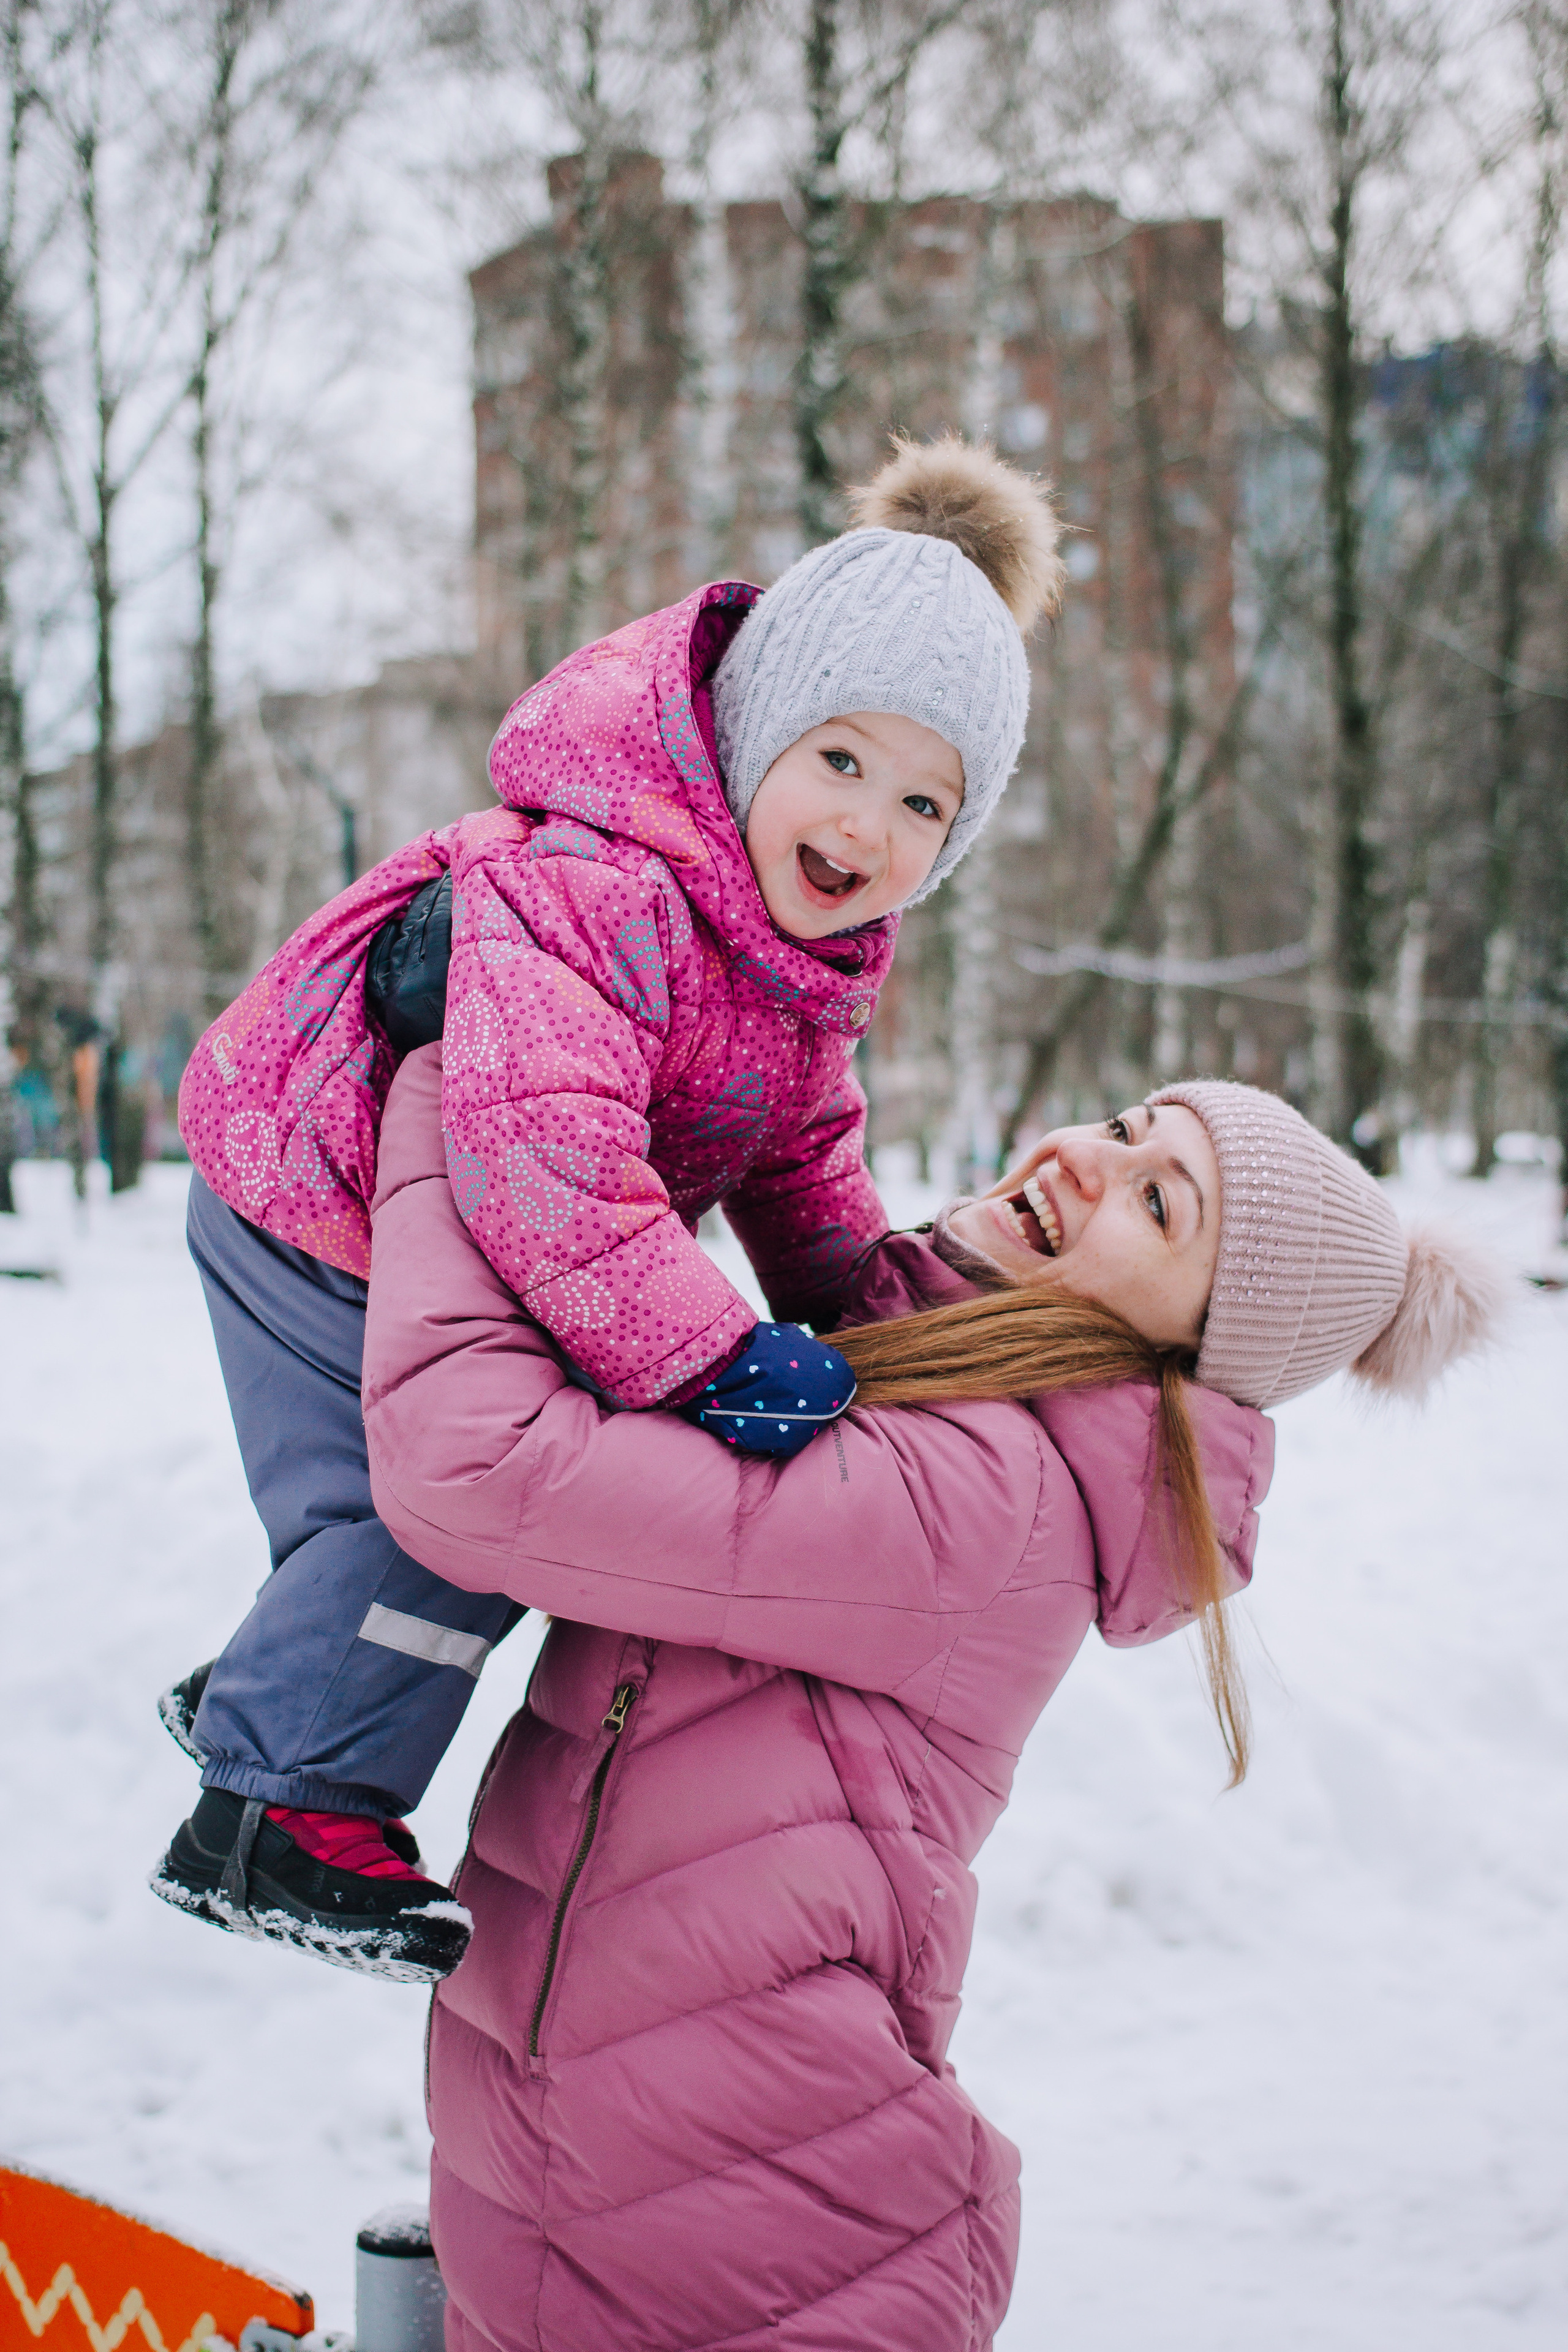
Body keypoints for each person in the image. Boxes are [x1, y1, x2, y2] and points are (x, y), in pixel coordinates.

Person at [356, 1047, 1506, 2352]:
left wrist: (463, 1088)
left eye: (1156, 1203)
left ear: (1184, 1349)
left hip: (763, 2257)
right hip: (652, 2207)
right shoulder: (924, 1391)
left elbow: (480, 1462)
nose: (1085, 1156)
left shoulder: (984, 1496)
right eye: (1126, 1125)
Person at [153, 435, 1068, 1980]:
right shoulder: (606, 883)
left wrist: (876, 1317)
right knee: (452, 1510)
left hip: (396, 1219)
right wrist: (710, 1358)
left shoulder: (799, 972)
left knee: (452, 1519)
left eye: (922, 803)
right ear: (751, 729)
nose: (864, 827)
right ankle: (271, 1808)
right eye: (837, 761)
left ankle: (282, 1691)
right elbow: (546, 1160)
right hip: (303, 1196)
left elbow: (798, 1161)